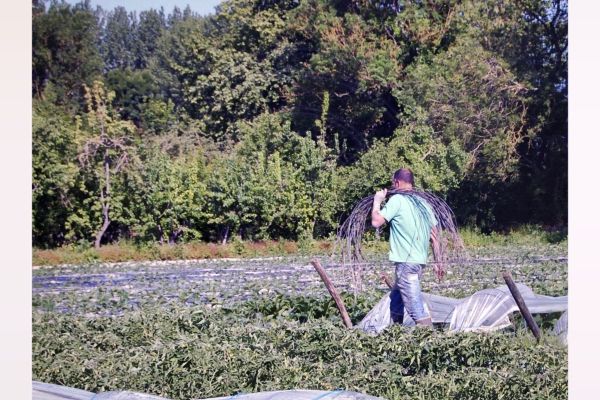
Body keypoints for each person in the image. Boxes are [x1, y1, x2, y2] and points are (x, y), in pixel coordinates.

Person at [371, 168, 440, 327]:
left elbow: (376, 222)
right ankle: (395, 335)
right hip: (418, 263)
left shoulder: (397, 200)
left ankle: (432, 341)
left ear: (396, 182)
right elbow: (435, 236)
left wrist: (377, 201)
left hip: (406, 264)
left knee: (416, 309)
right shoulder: (423, 203)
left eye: (393, 183)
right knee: (396, 299)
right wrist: (438, 261)